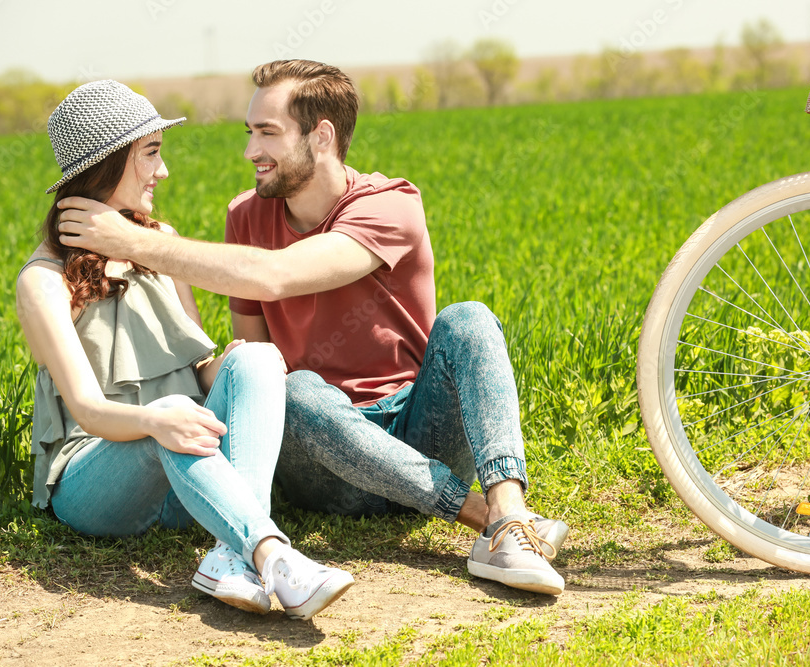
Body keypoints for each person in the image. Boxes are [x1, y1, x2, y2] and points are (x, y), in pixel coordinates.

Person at [55, 62, 570, 595]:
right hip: (318, 457)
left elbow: (277, 276)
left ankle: (510, 518)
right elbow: (256, 354)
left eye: (268, 133)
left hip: (418, 432)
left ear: (321, 136)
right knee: (292, 386)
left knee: (469, 319)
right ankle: (481, 515)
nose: (251, 151)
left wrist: (135, 242)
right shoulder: (246, 218)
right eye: (250, 132)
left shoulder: (390, 206)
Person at [16, 79, 354, 620]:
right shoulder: (43, 281)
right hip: (96, 485)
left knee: (256, 356)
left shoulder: (160, 243)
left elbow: (198, 371)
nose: (163, 169)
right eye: (150, 153)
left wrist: (246, 368)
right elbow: (86, 410)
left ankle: (230, 554)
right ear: (105, 165)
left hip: (187, 477)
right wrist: (156, 421)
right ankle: (272, 556)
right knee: (173, 412)